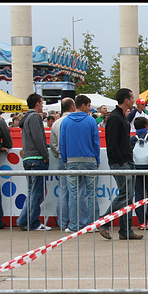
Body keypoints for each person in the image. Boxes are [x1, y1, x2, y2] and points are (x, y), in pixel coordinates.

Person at [98, 88, 143, 240]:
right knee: (125, 195)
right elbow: (111, 143)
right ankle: (104, 222)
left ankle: (125, 230)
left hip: (125, 161)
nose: (133, 100)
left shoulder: (120, 117)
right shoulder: (115, 118)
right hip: (121, 162)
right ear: (126, 100)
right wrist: (121, 160)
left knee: (127, 197)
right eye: (132, 98)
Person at [59, 94, 101, 233]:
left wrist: (65, 159)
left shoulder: (65, 122)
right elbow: (96, 143)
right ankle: (93, 224)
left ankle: (74, 225)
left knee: (74, 195)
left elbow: (62, 143)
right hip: (89, 160)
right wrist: (97, 159)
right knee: (92, 194)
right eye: (89, 106)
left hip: (71, 161)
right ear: (83, 105)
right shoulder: (91, 121)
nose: (90, 109)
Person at [17, 93, 52, 231]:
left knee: (33, 192)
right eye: (42, 103)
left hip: (28, 157)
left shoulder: (26, 118)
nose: (42, 106)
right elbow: (38, 137)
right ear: (37, 104)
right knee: (37, 193)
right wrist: (45, 154)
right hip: (36, 158)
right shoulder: (35, 117)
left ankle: (25, 219)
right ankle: (31, 221)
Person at [50, 97, 86, 231]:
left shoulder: (56, 123)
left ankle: (62, 222)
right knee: (79, 192)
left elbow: (53, 144)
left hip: (61, 158)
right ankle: (79, 221)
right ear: (72, 107)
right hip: (76, 158)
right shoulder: (77, 121)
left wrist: (59, 154)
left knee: (63, 191)